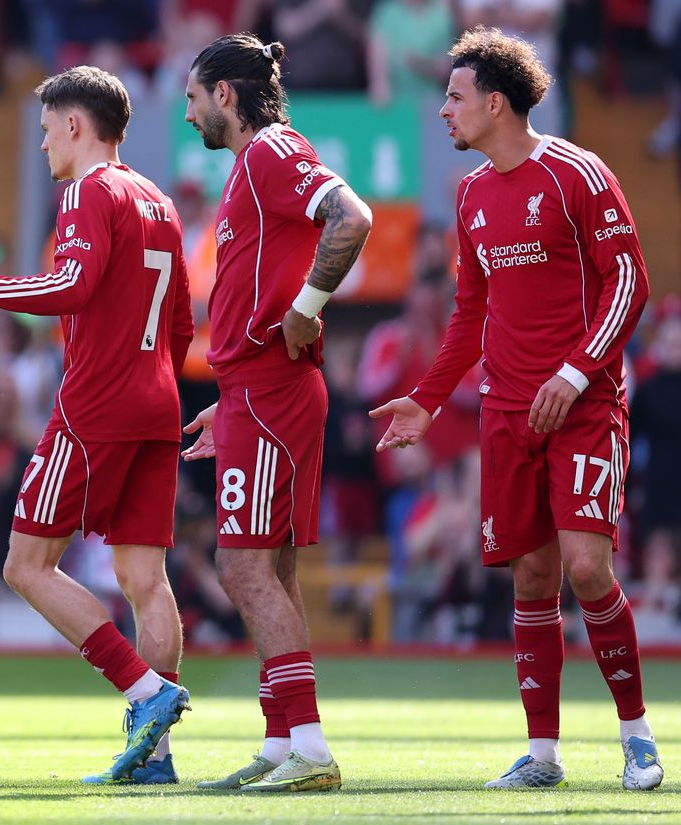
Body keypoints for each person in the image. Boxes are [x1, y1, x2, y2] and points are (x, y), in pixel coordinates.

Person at [369, 27, 663, 791]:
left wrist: (573, 371)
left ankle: (636, 734)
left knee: (588, 565)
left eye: (454, 97)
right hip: (506, 412)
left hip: (586, 403)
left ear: (495, 104)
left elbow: (629, 284)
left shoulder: (577, 173)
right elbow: (470, 314)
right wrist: (429, 400)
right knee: (531, 578)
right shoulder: (469, 196)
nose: (442, 112)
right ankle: (543, 753)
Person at [0, 65, 194, 785]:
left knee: (25, 564)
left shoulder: (88, 191)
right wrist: (156, 384)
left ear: (73, 125)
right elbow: (182, 320)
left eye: (44, 131)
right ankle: (153, 760)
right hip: (157, 400)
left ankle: (147, 692)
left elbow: (71, 285)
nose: (41, 147)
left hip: (97, 403)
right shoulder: (157, 198)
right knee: (144, 576)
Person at [180, 33, 372, 793]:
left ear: (226, 94)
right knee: (274, 567)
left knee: (242, 565)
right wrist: (226, 399)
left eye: (195, 98)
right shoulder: (247, 172)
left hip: (272, 389)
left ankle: (311, 749)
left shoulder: (270, 151)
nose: (191, 114)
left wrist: (307, 306)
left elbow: (350, 217)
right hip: (253, 392)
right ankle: (283, 740)